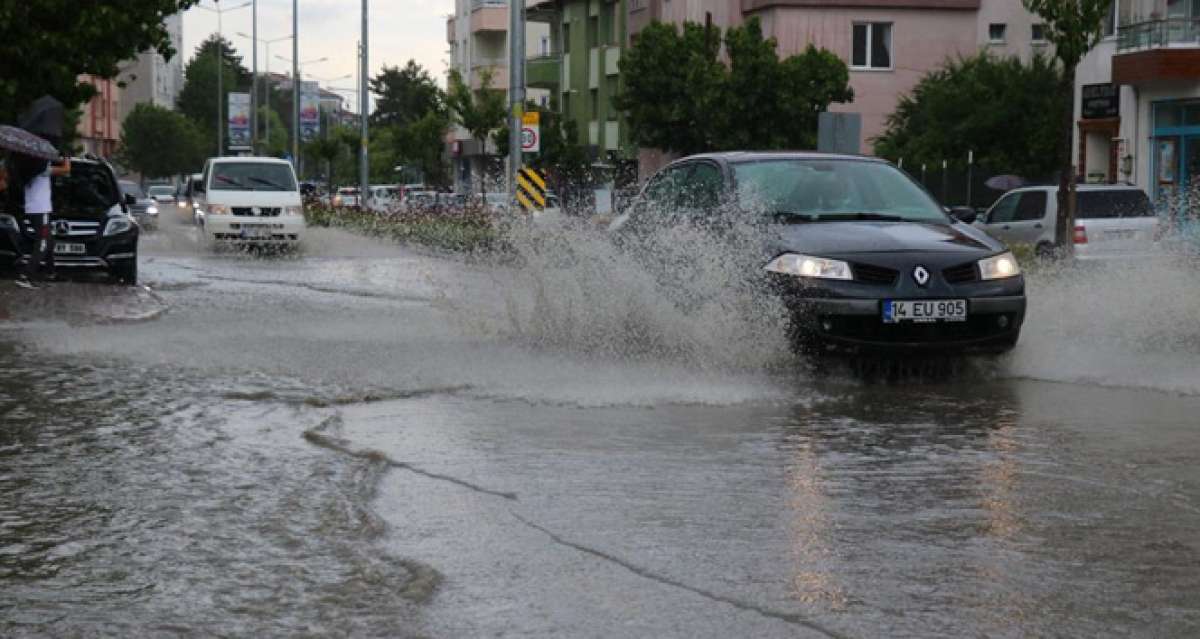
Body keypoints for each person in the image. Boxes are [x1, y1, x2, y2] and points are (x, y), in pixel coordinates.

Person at [8, 153, 69, 288]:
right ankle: (26, 275)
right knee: (43, 243)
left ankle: (50, 271)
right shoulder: (42, 170)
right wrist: (66, 157)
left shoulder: (27, 169)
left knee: (49, 241)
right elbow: (66, 169)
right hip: (41, 210)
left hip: (32, 209)